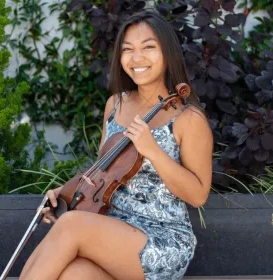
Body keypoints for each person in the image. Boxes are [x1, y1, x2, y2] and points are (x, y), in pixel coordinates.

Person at [19, 9, 213, 280]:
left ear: (168, 53)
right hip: (110, 230)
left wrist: (153, 151)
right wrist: (63, 194)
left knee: (72, 225)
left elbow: (198, 195)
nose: (137, 58)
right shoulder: (116, 104)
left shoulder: (187, 118)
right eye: (128, 49)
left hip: (161, 240)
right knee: (72, 275)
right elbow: (102, 174)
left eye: (148, 47)